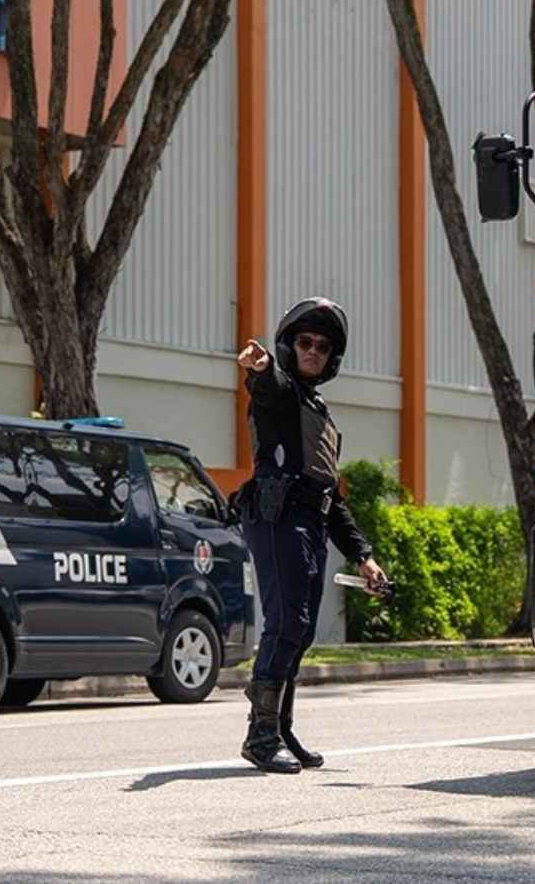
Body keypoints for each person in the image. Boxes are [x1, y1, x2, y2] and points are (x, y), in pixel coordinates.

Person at [233, 297, 387, 774]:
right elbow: (266, 386)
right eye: (304, 342)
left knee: (299, 630)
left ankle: (280, 728)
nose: (313, 351)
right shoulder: (280, 395)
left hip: (310, 523)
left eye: (322, 346)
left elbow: (332, 497)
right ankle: (260, 737)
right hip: (278, 518)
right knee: (286, 623)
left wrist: (363, 555)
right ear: (288, 346)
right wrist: (258, 369)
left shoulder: (320, 415)